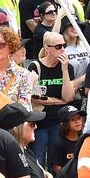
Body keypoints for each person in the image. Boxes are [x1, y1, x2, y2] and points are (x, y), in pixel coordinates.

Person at [29, 31, 77, 167]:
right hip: (41, 122)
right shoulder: (36, 66)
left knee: (56, 162)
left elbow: (68, 97)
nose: (62, 49)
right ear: (47, 49)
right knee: (38, 160)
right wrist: (58, 101)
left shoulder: (68, 67)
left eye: (64, 45)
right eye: (58, 46)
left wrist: (65, 70)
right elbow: (37, 97)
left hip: (59, 122)